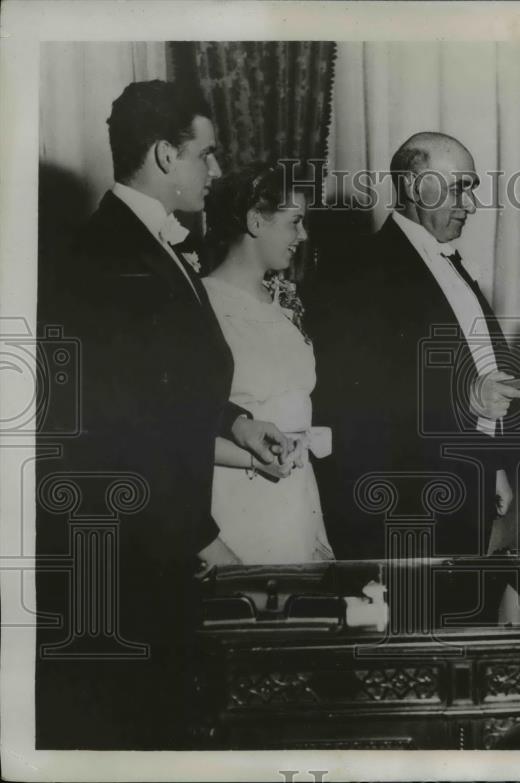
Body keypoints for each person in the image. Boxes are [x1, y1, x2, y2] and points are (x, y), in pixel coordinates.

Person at [37, 80, 289, 749]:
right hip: (128, 554)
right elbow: (119, 426)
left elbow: (165, 381)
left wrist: (235, 420)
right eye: (205, 154)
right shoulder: (108, 255)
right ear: (165, 155)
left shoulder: (146, 242)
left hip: (154, 542)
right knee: (145, 728)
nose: (214, 171)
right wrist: (206, 540)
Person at [311, 132, 520, 559]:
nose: (471, 204)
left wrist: (493, 463)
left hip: (468, 487)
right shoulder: (358, 271)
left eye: (472, 189)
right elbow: (353, 394)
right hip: (406, 502)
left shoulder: (451, 263)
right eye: (459, 187)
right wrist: (464, 396)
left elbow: (480, 363)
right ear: (413, 187)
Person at [202, 164, 334, 563]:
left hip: (296, 492)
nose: (303, 235)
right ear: (256, 222)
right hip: (236, 494)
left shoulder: (285, 301)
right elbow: (179, 425)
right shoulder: (203, 305)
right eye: (295, 222)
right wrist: (253, 461)